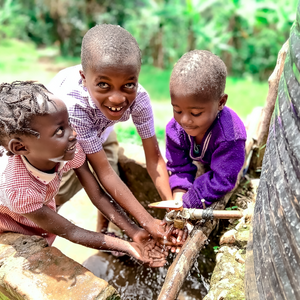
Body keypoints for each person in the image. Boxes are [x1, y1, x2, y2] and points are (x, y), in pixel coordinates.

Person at [0, 81, 168, 267]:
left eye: (69, 122)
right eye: (59, 130)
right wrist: (128, 246)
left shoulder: (68, 150)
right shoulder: (19, 190)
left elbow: (97, 195)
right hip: (10, 225)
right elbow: (71, 231)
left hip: (33, 210)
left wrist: (134, 232)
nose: (73, 133)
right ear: (21, 147)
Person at [47, 24, 175, 243]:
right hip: (65, 139)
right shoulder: (72, 106)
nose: (117, 98)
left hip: (103, 128)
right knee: (58, 192)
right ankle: (38, 227)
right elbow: (102, 173)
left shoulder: (139, 99)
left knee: (112, 167)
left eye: (128, 85)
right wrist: (148, 222)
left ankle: (105, 229)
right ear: (84, 79)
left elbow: (154, 159)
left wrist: (173, 209)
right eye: (104, 84)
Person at [166, 50, 247, 209]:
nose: (185, 120)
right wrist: (179, 197)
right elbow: (178, 167)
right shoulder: (175, 130)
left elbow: (223, 179)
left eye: (195, 113)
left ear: (221, 102)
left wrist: (192, 200)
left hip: (226, 160)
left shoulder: (230, 137)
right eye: (177, 110)